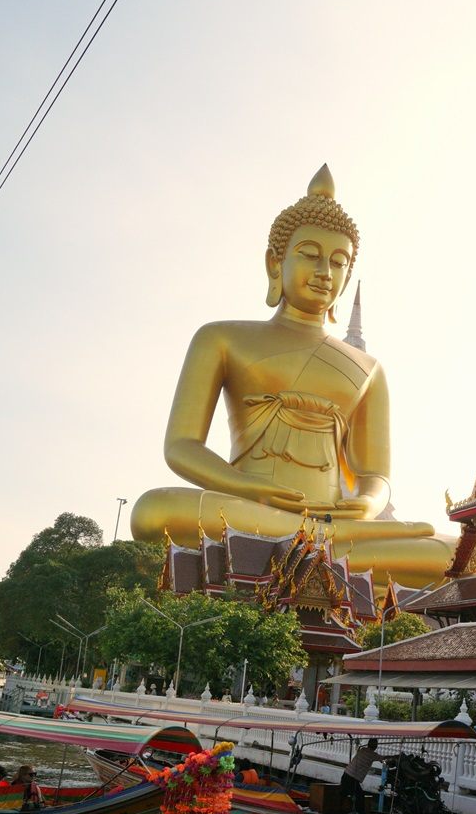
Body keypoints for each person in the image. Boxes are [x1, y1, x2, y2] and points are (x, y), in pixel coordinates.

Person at [128, 165, 452, 591]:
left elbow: (376, 476)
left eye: (339, 262)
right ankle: (317, 547)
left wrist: (367, 505)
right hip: (248, 507)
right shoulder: (222, 338)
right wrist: (248, 489)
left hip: (333, 518)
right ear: (275, 262)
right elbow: (181, 447)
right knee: (153, 512)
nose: (325, 272)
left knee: (451, 550)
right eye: (311, 255)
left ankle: (313, 544)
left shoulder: (368, 368)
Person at [339, 739, 392, 814]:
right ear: (376, 746)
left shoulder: (362, 750)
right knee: (359, 796)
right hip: (352, 778)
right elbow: (383, 758)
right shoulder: (371, 754)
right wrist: (395, 757)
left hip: (346, 774)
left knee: (344, 794)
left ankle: (341, 812)